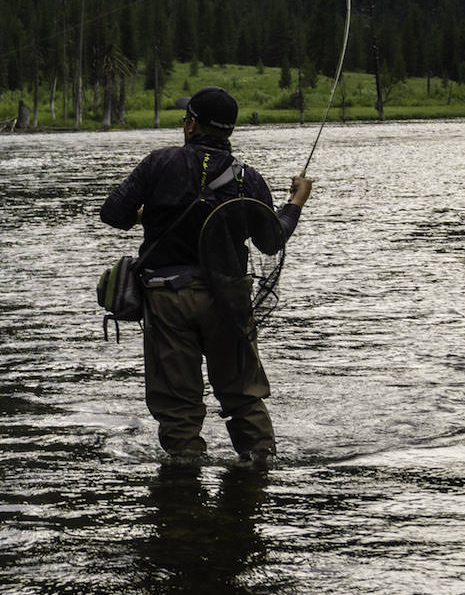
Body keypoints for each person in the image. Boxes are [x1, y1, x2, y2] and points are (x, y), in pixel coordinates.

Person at [100, 86, 311, 466]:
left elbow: (113, 213)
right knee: (243, 394)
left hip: (167, 298)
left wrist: (149, 215)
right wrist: (296, 201)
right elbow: (270, 241)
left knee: (177, 401)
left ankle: (184, 474)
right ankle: (259, 466)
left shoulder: (159, 163)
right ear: (228, 131)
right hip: (227, 299)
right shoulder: (248, 178)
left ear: (192, 125)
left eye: (186, 118)